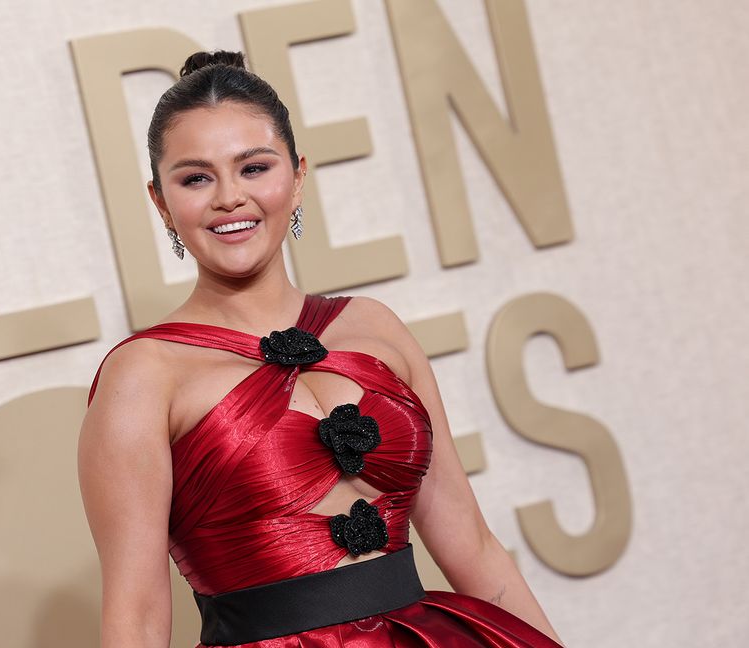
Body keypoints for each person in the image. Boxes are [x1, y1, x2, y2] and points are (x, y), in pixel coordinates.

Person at [78, 50, 564, 647]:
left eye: (254, 167)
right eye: (196, 178)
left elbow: (474, 547)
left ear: (298, 175)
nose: (230, 197)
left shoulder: (376, 327)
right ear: (161, 202)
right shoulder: (144, 375)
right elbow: (137, 616)